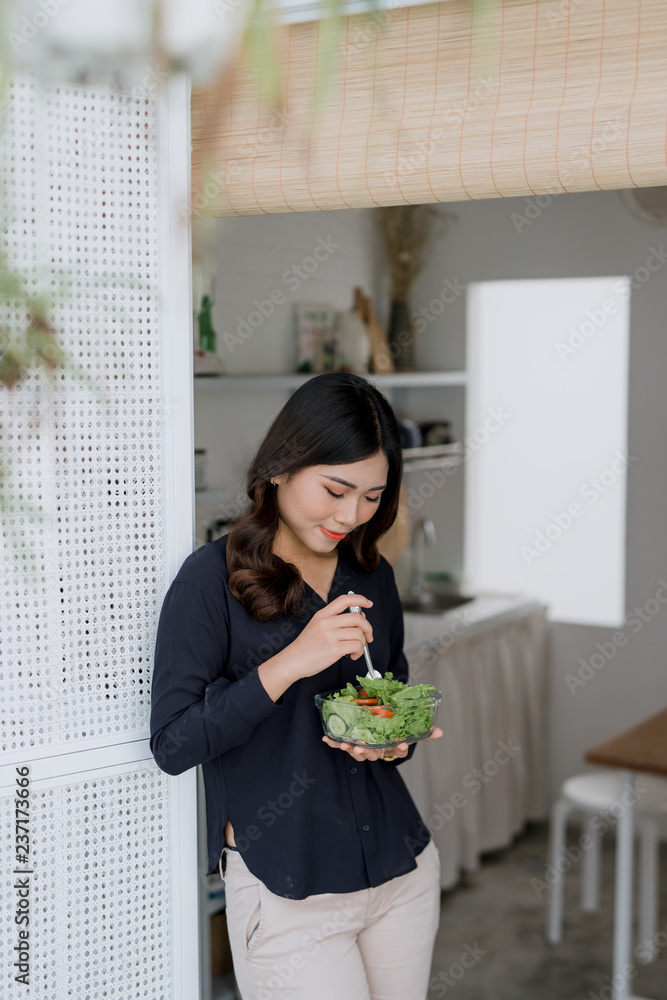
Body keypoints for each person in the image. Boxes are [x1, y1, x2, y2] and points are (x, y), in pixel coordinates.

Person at [150, 372, 443, 1000]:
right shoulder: (209, 581)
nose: (351, 515)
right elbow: (173, 744)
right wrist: (291, 661)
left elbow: (384, 695)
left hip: (401, 871)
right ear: (282, 467)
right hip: (288, 889)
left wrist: (392, 740)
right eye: (335, 490)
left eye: (372, 496)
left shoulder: (372, 573)